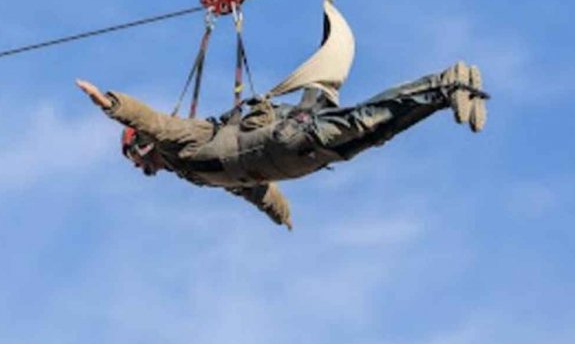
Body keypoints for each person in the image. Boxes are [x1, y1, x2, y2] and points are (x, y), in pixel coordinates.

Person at [74, 62, 487, 228]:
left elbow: (153, 120)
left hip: (287, 139)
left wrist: (111, 104)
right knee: (377, 133)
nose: (139, 168)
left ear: (144, 146)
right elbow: (252, 189)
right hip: (298, 161)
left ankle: (446, 80)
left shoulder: (182, 140)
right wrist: (281, 214)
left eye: (134, 156)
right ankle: (443, 96)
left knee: (365, 118)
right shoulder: (195, 173)